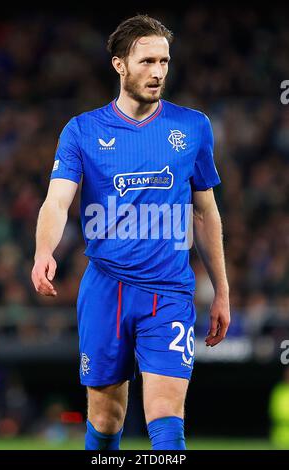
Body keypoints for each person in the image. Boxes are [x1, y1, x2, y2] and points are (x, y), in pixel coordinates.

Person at [31, 14, 230, 450]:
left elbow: (204, 213)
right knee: (105, 419)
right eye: (147, 62)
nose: (158, 72)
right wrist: (44, 250)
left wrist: (221, 290)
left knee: (166, 417)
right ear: (120, 64)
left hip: (170, 292)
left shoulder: (193, 127)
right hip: (105, 287)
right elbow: (57, 201)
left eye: (164, 61)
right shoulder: (82, 130)